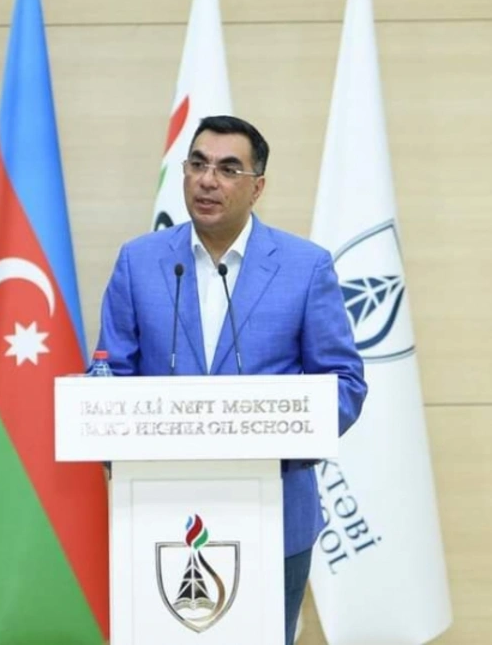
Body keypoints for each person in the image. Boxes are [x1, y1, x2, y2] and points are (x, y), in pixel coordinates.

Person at [96, 114, 368, 644]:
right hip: (159, 512)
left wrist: (270, 434)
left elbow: (344, 383)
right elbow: (112, 374)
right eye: (197, 164)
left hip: (274, 511)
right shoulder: (139, 262)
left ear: (257, 187)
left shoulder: (305, 267)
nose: (207, 180)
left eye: (227, 169)